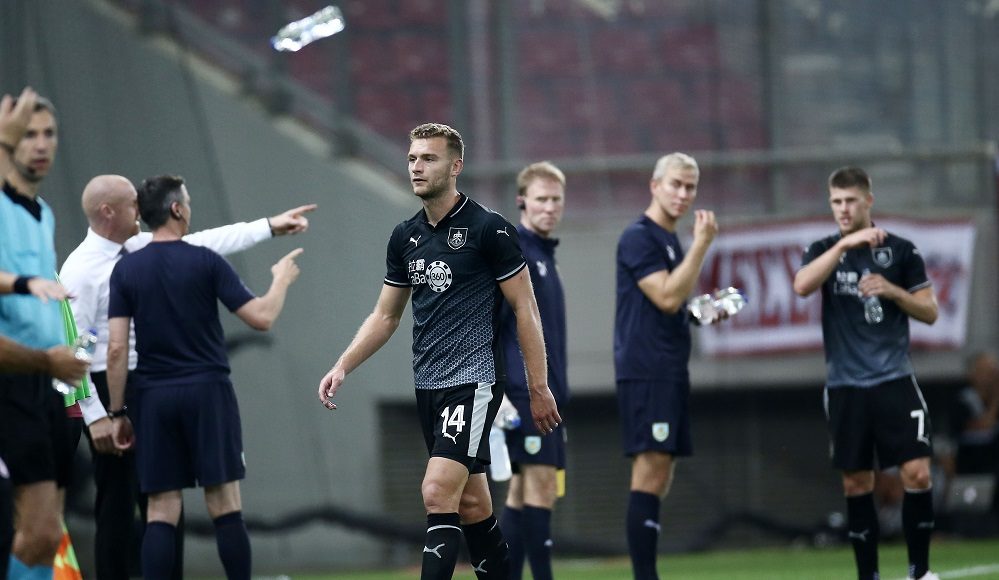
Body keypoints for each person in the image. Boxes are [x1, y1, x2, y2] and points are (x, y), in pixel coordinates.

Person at [317, 123, 561, 580]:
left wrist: (538, 386)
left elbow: (525, 308)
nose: (416, 166)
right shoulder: (404, 236)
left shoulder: (489, 229)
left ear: (455, 166)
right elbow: (385, 316)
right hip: (428, 386)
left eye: (428, 158)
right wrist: (343, 365)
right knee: (473, 506)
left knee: (436, 492)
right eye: (412, 158)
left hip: (474, 381)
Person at [59, 174, 316, 579]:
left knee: (161, 504)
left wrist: (268, 226)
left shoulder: (137, 255)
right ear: (108, 211)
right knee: (123, 501)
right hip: (121, 386)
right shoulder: (80, 270)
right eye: (131, 203)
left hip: (149, 385)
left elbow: (208, 240)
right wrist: (97, 415)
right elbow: (78, 348)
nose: (139, 209)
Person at [793, 166, 940, 580]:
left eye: (850, 201)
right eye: (836, 202)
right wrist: (844, 246)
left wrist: (891, 291)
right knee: (856, 483)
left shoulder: (902, 251)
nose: (843, 209)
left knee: (917, 473)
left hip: (894, 379)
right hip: (846, 387)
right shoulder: (823, 249)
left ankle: (919, 572)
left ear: (868, 201)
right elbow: (802, 286)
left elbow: (930, 311)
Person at [614, 152, 718, 579]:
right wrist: (703, 244)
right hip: (648, 369)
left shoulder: (669, 240)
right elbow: (667, 296)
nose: (683, 194)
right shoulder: (639, 237)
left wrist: (697, 312)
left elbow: (672, 304)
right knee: (650, 471)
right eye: (675, 184)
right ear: (655, 186)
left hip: (668, 368)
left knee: (660, 473)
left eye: (690, 187)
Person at [0, 86, 80, 579]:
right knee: (37, 531)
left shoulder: (43, 212)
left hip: (49, 382)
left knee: (47, 534)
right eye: (28, 134)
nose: (41, 144)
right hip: (13, 375)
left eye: (49, 133)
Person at [496, 161, 569, 580]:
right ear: (522, 200)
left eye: (556, 199)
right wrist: (504, 392)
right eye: (542, 199)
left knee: (522, 492)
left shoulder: (543, 253)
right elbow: (493, 322)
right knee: (539, 488)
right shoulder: (516, 249)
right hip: (525, 393)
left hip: (543, 392)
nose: (550, 207)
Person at [0, 336, 89, 580]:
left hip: (55, 393)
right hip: (21, 381)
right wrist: (47, 361)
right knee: (28, 529)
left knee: (47, 534)